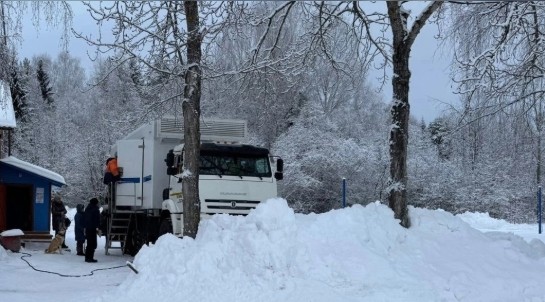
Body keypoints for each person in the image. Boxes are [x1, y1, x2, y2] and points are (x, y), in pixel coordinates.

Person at [84, 197, 101, 263]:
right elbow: (97, 219)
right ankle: (90, 258)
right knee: (93, 244)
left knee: (89, 243)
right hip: (93, 228)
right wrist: (98, 227)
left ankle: (87, 257)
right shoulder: (95, 209)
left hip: (88, 228)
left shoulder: (87, 208)